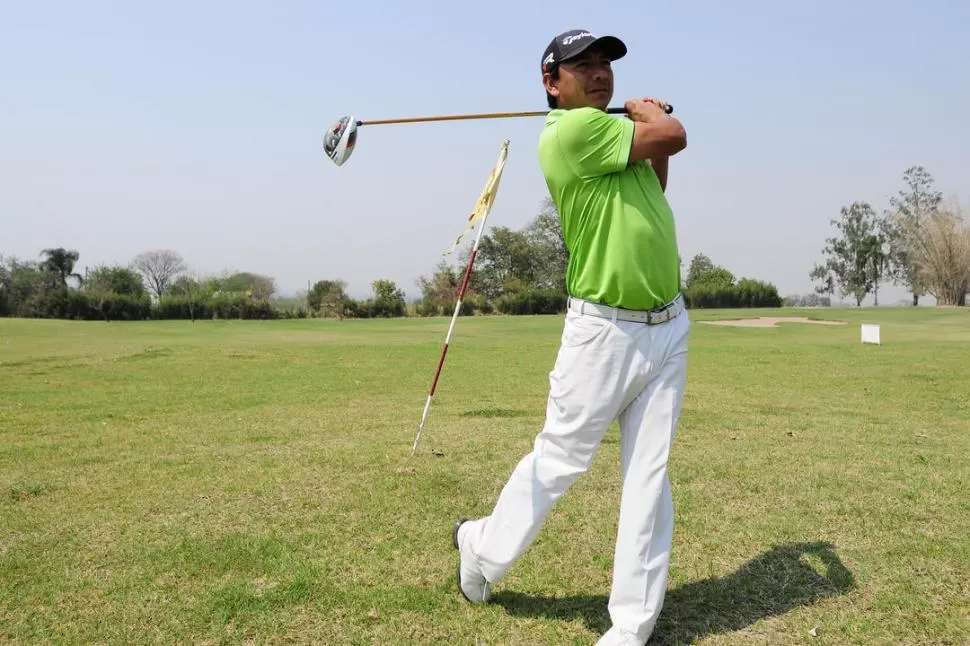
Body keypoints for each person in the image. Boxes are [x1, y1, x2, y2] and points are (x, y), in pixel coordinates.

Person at [452, 28, 690, 646]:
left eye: (606, 63)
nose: (600, 73)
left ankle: (630, 627)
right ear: (551, 84)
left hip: (668, 323)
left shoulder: (612, 140)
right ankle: (481, 549)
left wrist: (649, 123)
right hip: (604, 332)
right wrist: (652, 114)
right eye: (582, 65)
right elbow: (674, 136)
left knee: (649, 475)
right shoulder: (572, 132)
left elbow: (657, 174)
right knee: (560, 460)